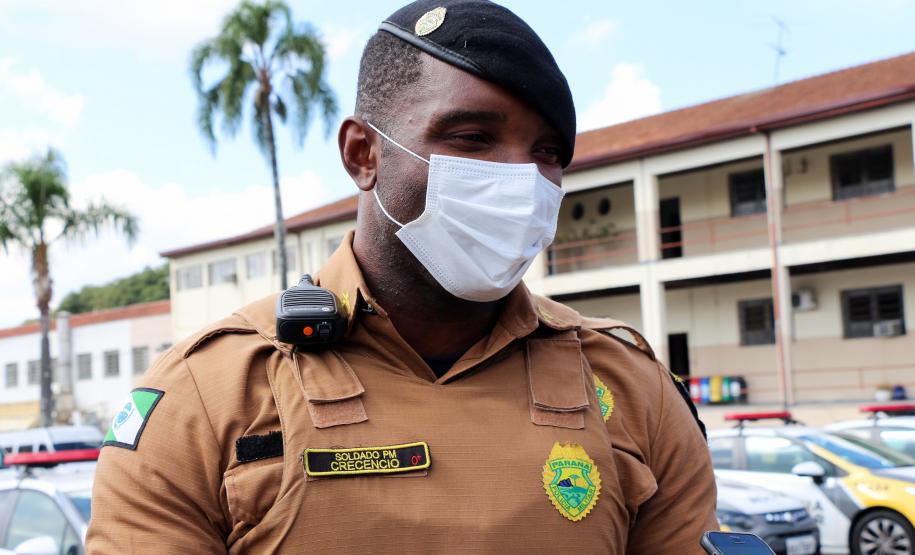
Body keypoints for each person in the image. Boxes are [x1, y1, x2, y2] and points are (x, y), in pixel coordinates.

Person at [87, 1, 717, 552]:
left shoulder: (630, 385)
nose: (521, 179)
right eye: (472, 138)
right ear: (363, 154)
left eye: (547, 152)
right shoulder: (208, 394)